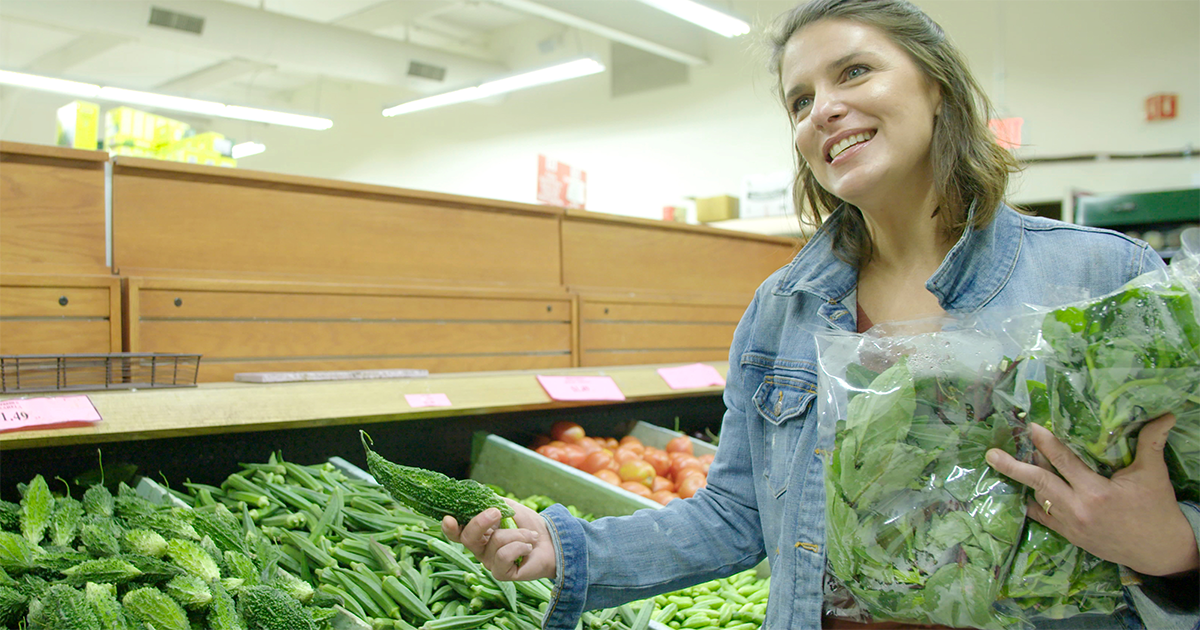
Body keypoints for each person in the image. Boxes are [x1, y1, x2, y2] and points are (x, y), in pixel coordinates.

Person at [444, 1, 1200, 628]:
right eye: (799, 101)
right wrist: (567, 549)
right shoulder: (783, 310)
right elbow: (736, 516)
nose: (823, 110)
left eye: (855, 71)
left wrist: (1172, 545)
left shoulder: (1101, 276)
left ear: (937, 86)